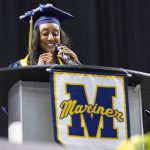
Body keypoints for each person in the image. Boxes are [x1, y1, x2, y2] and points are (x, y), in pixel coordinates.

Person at [10, 3, 81, 67]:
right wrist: (37, 71)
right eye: (45, 34)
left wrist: (76, 66)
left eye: (55, 34)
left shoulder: (67, 64)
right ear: (37, 37)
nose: (51, 38)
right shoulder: (21, 66)